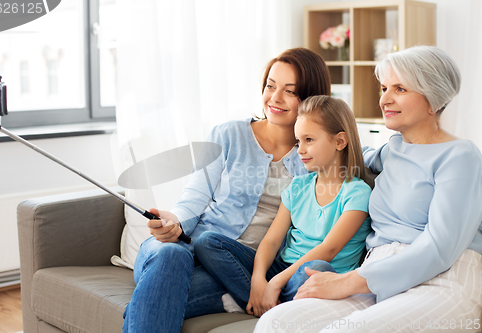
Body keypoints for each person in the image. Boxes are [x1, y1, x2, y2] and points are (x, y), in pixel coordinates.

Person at [254, 45, 482, 333]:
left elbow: (439, 249)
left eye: (400, 89)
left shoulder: (461, 157)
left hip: (443, 279)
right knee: (277, 322)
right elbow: (339, 155)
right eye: (384, 88)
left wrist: (347, 281)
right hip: (377, 277)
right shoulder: (392, 151)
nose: (384, 99)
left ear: (433, 99)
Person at [122, 47, 332, 333]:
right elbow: (194, 199)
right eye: (270, 86)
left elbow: (358, 154)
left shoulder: (315, 154)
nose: (275, 98)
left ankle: (228, 296)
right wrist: (174, 222)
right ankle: (241, 299)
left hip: (240, 269)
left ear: (310, 99)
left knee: (155, 299)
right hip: (186, 250)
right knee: (172, 254)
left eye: (290, 91)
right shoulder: (229, 135)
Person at [194, 95, 372, 318]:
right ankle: (261, 299)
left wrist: (275, 282)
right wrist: (259, 280)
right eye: (298, 141)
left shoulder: (357, 193)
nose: (300, 150)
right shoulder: (298, 186)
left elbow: (329, 249)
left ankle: (261, 302)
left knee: (317, 268)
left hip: (315, 276)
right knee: (207, 241)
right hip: (282, 267)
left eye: (309, 140)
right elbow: (271, 240)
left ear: (339, 142)